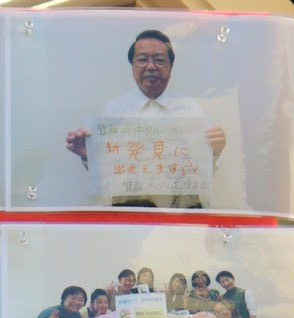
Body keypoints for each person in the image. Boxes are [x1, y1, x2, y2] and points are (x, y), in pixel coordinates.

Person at [65, 28, 226, 209]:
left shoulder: (191, 109)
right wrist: (90, 155)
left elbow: (206, 170)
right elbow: (108, 173)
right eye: (142, 59)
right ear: (132, 65)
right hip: (130, 208)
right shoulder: (114, 110)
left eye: (159, 60)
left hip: (181, 208)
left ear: (171, 67)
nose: (150, 67)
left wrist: (215, 150)